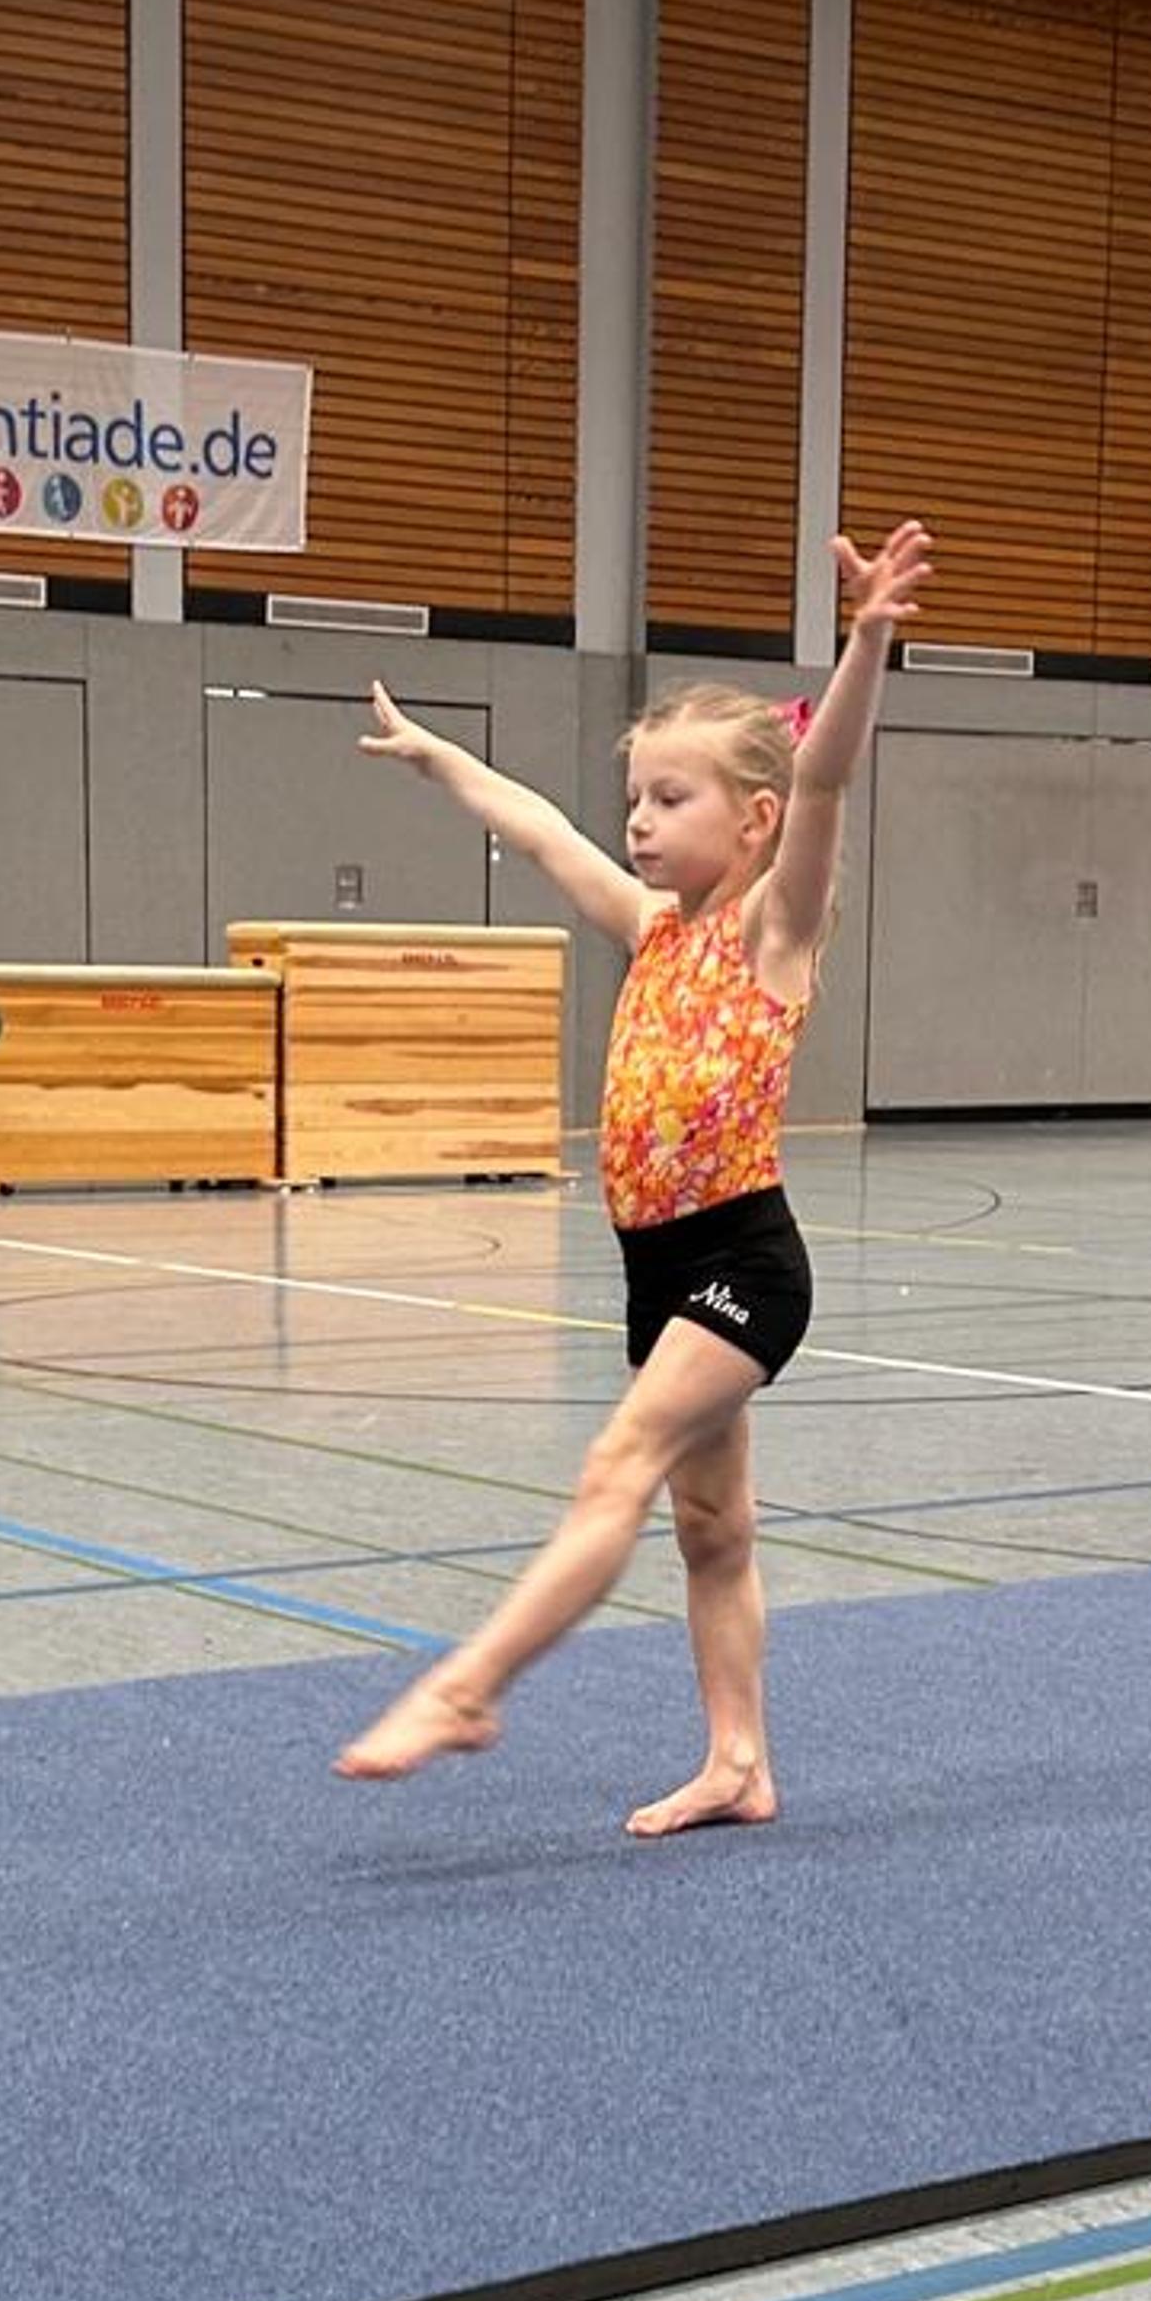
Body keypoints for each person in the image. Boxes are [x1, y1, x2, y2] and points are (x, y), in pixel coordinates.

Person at [335, 517, 936, 1832]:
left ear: (755, 819)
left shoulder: (775, 930)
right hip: (655, 1267)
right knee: (710, 1528)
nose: (641, 822)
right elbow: (545, 830)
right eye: (639, 799)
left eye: (673, 800)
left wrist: (867, 643)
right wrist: (441, 759)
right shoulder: (653, 928)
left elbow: (827, 780)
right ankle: (740, 1762)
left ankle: (469, 1687)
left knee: (619, 1461)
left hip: (743, 1261)